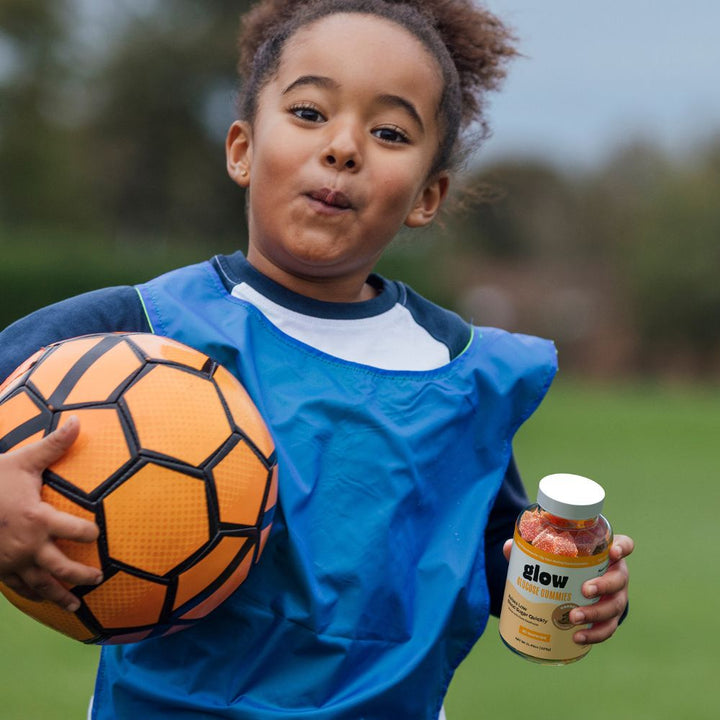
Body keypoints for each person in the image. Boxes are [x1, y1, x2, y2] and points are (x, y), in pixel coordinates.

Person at [0, 1, 634, 718]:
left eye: (390, 131)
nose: (343, 147)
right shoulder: (140, 327)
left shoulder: (456, 369)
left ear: (428, 196)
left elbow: (492, 545)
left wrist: (573, 581)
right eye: (308, 113)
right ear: (241, 148)